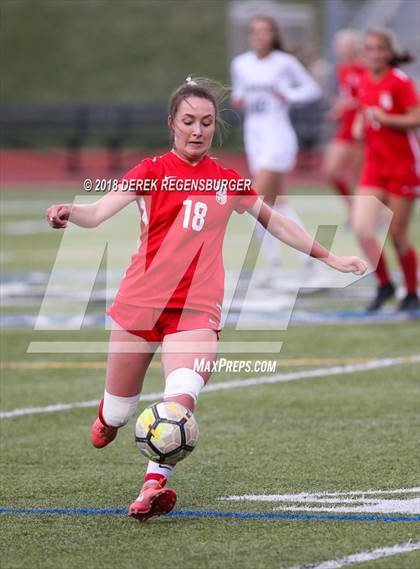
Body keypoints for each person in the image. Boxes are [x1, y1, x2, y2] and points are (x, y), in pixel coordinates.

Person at [46, 77, 367, 522]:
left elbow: (275, 223)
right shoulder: (151, 171)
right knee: (117, 416)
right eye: (189, 122)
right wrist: (68, 212)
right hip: (140, 303)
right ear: (172, 124)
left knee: (179, 401)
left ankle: (152, 486)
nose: (197, 130)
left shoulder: (227, 180)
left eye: (207, 123)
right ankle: (109, 416)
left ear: (215, 128)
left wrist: (330, 256)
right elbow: (98, 212)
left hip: (197, 310)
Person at [230, 15, 322, 275]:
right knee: (277, 204)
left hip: (278, 136)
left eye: (265, 31)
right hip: (255, 137)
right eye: (256, 31)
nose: (260, 36)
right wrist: (240, 99)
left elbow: (312, 90)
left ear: (273, 35)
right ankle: (304, 259)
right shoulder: (241, 64)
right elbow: (240, 93)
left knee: (252, 200)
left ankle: (273, 263)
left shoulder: (285, 62)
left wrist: (289, 95)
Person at [352, 28, 419, 312]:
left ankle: (412, 293)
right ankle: (384, 283)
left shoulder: (400, 82)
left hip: (403, 166)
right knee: (362, 227)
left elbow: (416, 117)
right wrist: (359, 123)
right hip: (374, 166)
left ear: (390, 52)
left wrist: (387, 119)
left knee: (397, 233)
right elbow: (365, 109)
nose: (375, 54)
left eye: (380, 49)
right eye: (369, 49)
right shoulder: (365, 79)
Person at [323, 29, 366, 214]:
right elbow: (345, 96)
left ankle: (368, 216)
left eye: (347, 45)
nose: (343, 49)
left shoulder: (364, 68)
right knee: (331, 171)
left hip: (362, 128)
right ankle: (353, 210)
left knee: (359, 177)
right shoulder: (341, 69)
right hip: (345, 127)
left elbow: (368, 97)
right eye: (340, 45)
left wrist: (348, 104)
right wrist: (337, 107)